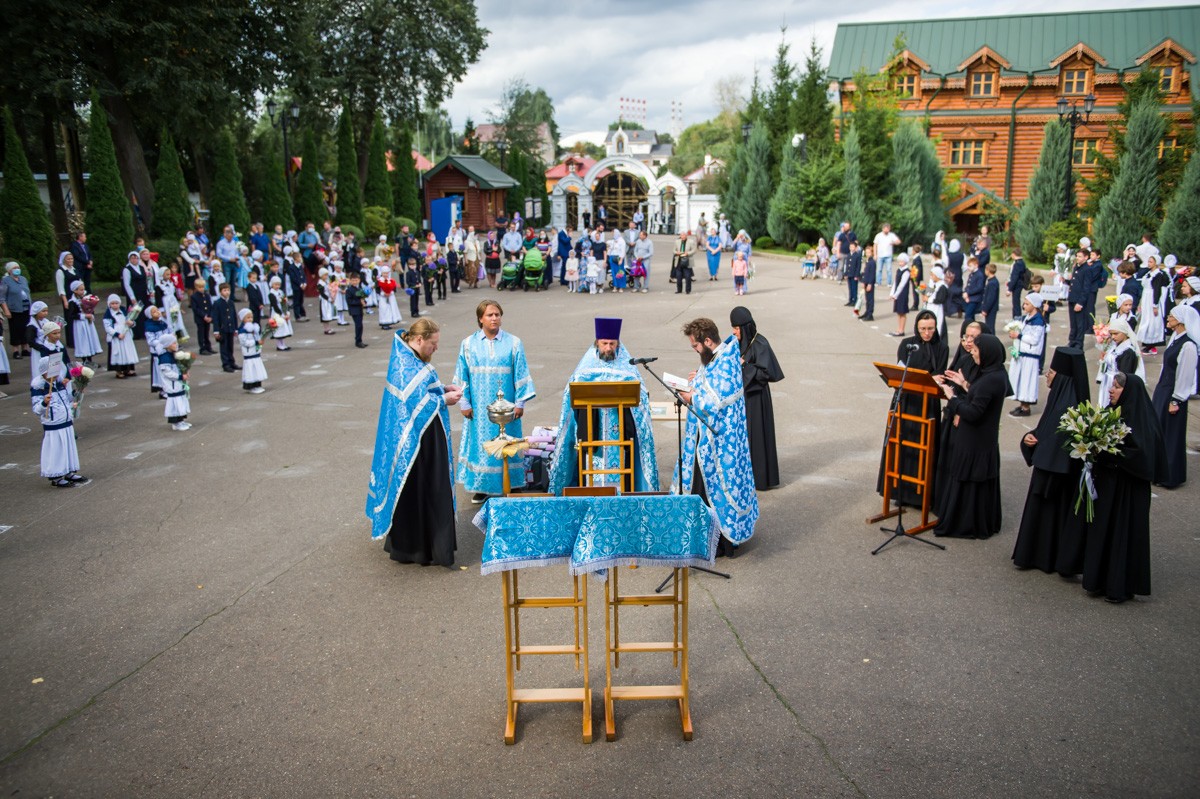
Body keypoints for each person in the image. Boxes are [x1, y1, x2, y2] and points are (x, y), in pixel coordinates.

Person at [1060, 373, 1164, 602]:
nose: (1111, 390)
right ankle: (1098, 580)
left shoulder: (1142, 420)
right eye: (1112, 386)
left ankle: (1119, 587)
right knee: (1104, 532)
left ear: (1128, 392)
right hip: (1109, 487)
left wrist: (1109, 454)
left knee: (1122, 536)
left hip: (1128, 492)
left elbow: (1144, 457)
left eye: (1116, 387)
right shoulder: (1110, 414)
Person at [367, 318, 463, 566]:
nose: (436, 348)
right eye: (433, 343)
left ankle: (427, 546)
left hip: (424, 433)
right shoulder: (405, 365)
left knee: (426, 487)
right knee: (421, 488)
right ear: (419, 339)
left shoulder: (410, 356)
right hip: (415, 441)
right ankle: (417, 548)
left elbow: (423, 391)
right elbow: (415, 402)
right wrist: (444, 400)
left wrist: (442, 389)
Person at [672, 318, 760, 556]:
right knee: (701, 489)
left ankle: (719, 543)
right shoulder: (714, 359)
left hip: (720, 444)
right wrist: (696, 381)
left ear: (708, 341)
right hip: (706, 437)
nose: (695, 350)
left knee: (716, 491)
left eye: (696, 346)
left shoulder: (727, 363)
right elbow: (710, 386)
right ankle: (702, 537)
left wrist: (691, 397)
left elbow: (716, 403)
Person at [547, 318, 660, 494]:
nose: (608, 348)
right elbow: (570, 396)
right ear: (597, 343)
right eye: (604, 343)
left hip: (620, 434)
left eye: (612, 344)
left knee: (622, 474)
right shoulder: (585, 369)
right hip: (593, 433)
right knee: (591, 472)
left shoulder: (628, 369)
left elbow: (641, 397)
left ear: (618, 344)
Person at [1012, 347, 1091, 572]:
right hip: (1049, 467)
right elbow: (1045, 431)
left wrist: (1039, 446)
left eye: (1052, 372)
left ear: (1063, 377)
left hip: (1055, 475)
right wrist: (1031, 438)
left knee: (1050, 516)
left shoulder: (1068, 405)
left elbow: (1059, 442)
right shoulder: (1060, 398)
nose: (1047, 374)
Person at [453, 301, 536, 502]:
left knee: (509, 441)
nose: (494, 318)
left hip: (508, 407)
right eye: (489, 315)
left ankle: (513, 483)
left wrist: (520, 403)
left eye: (497, 314)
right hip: (480, 408)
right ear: (480, 318)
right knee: (481, 444)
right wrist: (464, 402)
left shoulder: (514, 343)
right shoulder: (468, 344)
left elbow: (521, 372)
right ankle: (482, 486)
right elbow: (462, 375)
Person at [933, 334, 1010, 539]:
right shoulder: (997, 373)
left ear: (987, 353)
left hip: (974, 439)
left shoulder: (989, 380)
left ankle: (964, 524)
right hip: (984, 439)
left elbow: (973, 412)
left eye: (975, 351)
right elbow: (981, 397)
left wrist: (952, 397)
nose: (972, 353)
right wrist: (964, 383)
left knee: (968, 481)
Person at [877, 310, 949, 509]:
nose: (927, 333)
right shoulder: (907, 344)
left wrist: (929, 378)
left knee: (925, 446)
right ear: (917, 328)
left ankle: (921, 495)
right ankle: (899, 491)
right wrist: (926, 377)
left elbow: (940, 375)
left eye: (931, 329)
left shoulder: (942, 347)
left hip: (928, 403)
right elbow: (902, 370)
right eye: (923, 329)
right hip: (907, 400)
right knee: (902, 444)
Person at [730, 307, 784, 490]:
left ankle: (760, 478)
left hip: (757, 399)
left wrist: (745, 366)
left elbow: (768, 373)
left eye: (736, 328)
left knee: (758, 437)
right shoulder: (737, 343)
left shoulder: (760, 343)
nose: (734, 332)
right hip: (742, 398)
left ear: (744, 328)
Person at [31, 325, 88, 488]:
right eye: (52, 372)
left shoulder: (59, 383)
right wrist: (44, 402)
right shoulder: (38, 386)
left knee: (68, 446)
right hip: (53, 423)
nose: (56, 374)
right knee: (56, 449)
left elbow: (67, 397)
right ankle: (56, 475)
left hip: (65, 420)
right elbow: (36, 409)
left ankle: (69, 470)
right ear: (44, 372)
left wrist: (77, 393)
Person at [1151, 305, 1199, 488]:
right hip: (1164, 391)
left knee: (1171, 435)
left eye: (1172, 315)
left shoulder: (1188, 345)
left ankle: (1170, 476)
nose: (1168, 318)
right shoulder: (1175, 339)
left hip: (1173, 394)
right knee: (1160, 431)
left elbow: (1185, 374)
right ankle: (1158, 471)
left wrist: (1176, 399)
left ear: (1180, 320)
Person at [1008, 293, 1047, 417]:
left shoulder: (1038, 321)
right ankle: (1022, 404)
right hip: (1023, 353)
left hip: (1030, 356)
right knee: (1021, 380)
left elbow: (1034, 339)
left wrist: (1019, 336)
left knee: (1027, 381)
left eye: (1027, 304)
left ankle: (1026, 407)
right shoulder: (1028, 317)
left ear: (1034, 305)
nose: (1024, 306)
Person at [1097, 318, 1145, 406]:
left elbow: (1124, 375)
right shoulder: (1114, 347)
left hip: (1116, 384)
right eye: (1111, 334)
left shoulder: (1128, 352)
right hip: (1107, 382)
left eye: (1116, 334)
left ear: (1125, 333)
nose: (1113, 337)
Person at [1136, 256, 1170, 355]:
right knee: (1146, 320)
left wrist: (1155, 305)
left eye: (1151, 262)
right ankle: (1146, 343)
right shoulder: (1148, 273)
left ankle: (1151, 344)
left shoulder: (1158, 275)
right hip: (1146, 299)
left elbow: (1157, 290)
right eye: (1148, 261)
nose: (1149, 263)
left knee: (1152, 321)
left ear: (1156, 263)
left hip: (1152, 300)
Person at [158, 334, 191, 431]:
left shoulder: (174, 354)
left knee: (181, 402)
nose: (176, 344)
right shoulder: (164, 358)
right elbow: (168, 373)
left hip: (178, 383)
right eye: (174, 343)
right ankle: (176, 423)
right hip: (172, 385)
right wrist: (180, 376)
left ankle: (181, 420)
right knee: (175, 403)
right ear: (167, 345)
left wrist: (185, 370)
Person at [66, 281, 102, 367]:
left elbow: (90, 309)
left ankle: (90, 360)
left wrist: (91, 314)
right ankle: (85, 361)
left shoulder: (85, 298)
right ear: (75, 290)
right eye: (81, 290)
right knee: (83, 342)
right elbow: (71, 315)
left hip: (88, 323)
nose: (83, 291)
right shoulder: (72, 302)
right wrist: (84, 316)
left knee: (89, 340)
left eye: (83, 289)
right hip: (80, 325)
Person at [103, 294, 138, 378]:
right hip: (117, 336)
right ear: (109, 304)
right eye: (112, 303)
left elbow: (131, 320)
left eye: (116, 303)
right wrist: (117, 334)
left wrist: (131, 323)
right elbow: (107, 327)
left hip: (126, 334)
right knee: (118, 353)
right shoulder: (108, 314)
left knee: (127, 351)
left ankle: (127, 369)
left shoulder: (124, 310)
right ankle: (118, 371)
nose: (115, 305)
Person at [236, 308, 268, 394]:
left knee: (257, 369)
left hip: (255, 352)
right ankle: (251, 386)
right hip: (249, 352)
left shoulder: (254, 328)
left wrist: (260, 343)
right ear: (243, 319)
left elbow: (257, 337)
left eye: (251, 317)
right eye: (248, 317)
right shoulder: (242, 330)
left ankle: (258, 384)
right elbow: (244, 342)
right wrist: (256, 342)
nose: (250, 319)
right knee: (251, 370)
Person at [212, 283, 239, 373]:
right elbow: (215, 318)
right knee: (224, 347)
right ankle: (226, 364)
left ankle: (232, 362)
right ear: (220, 292)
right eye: (224, 290)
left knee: (230, 346)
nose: (227, 292)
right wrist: (216, 331)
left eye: (228, 290)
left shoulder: (231, 302)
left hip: (230, 328)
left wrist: (235, 328)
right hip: (222, 329)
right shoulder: (217, 303)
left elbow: (234, 316)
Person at [888, 253, 912, 336]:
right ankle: (899, 329)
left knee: (902, 312)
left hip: (903, 294)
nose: (900, 263)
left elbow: (902, 285)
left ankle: (902, 330)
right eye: (899, 261)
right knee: (898, 312)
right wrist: (892, 293)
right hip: (897, 294)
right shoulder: (899, 270)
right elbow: (895, 282)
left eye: (902, 261)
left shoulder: (906, 272)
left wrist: (896, 295)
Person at [267, 277, 293, 351]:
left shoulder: (281, 292)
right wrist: (281, 314)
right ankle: (279, 345)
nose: (277, 286)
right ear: (272, 284)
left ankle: (283, 344)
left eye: (278, 284)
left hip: (282, 311)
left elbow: (285, 302)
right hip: (276, 313)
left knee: (283, 329)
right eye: (275, 284)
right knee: (278, 329)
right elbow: (274, 305)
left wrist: (287, 311)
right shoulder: (271, 294)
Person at [189, 279, 214, 355]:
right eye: (200, 287)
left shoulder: (207, 295)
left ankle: (208, 347)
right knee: (201, 333)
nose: (202, 289)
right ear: (196, 287)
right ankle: (202, 348)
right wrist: (204, 316)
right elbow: (195, 309)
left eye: (203, 287)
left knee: (207, 333)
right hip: (200, 318)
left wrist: (210, 316)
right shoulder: (194, 297)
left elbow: (210, 306)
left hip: (208, 318)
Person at [873, 223, 900, 289]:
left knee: (889, 270)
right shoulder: (878, 235)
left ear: (889, 229)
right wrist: (875, 254)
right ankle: (878, 282)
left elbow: (898, 241)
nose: (886, 230)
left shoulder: (891, 235)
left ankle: (889, 283)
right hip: (880, 255)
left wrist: (893, 242)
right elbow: (875, 245)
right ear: (883, 229)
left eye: (887, 229)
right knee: (879, 269)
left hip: (888, 255)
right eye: (885, 229)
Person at [345, 271, 367, 349]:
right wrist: (359, 302)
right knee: (358, 325)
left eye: (356, 280)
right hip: (354, 310)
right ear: (350, 281)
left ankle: (359, 340)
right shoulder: (349, 290)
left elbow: (362, 298)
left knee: (360, 326)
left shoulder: (359, 288)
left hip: (359, 309)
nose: (354, 282)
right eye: (353, 280)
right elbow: (349, 301)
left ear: (359, 280)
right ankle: (358, 341)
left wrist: (364, 302)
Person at [926, 266, 948, 340]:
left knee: (938, 326)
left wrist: (929, 300)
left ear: (937, 275)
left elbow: (940, 299)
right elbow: (929, 292)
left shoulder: (942, 286)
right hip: (931, 308)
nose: (931, 277)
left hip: (937, 309)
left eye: (932, 275)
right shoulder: (933, 284)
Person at [1006, 249, 1030, 319]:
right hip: (1018, 284)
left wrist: (1009, 289)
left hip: (1017, 285)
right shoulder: (1020, 262)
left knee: (1016, 302)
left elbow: (1015, 277)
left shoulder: (1018, 264)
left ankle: (1017, 317)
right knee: (1015, 302)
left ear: (1014, 254)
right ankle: (1016, 317)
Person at [962, 256, 984, 321]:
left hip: (975, 299)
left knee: (968, 315)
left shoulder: (979, 275)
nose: (968, 268)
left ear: (976, 265)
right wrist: (965, 292)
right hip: (969, 298)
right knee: (970, 316)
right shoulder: (971, 274)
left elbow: (979, 288)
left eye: (970, 266)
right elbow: (968, 285)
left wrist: (968, 293)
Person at [980, 263, 1001, 331]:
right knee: (989, 325)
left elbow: (990, 298)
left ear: (988, 271)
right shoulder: (991, 280)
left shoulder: (992, 283)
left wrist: (985, 309)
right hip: (991, 308)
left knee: (990, 326)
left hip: (991, 308)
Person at [859, 244, 877, 321]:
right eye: (866, 252)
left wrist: (870, 284)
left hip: (870, 283)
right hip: (866, 282)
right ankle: (867, 312)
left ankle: (870, 314)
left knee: (870, 299)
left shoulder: (872, 262)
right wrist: (863, 281)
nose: (867, 254)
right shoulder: (868, 261)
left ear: (872, 253)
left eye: (869, 252)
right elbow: (865, 273)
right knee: (867, 299)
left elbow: (872, 274)